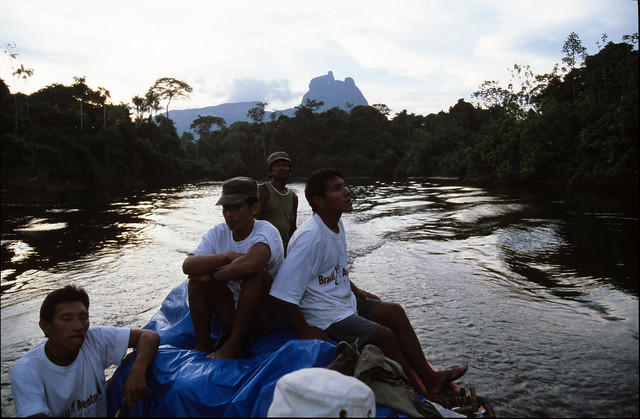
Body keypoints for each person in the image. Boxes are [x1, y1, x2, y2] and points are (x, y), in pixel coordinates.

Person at [269, 168, 467, 401]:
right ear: (319, 201)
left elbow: (331, 266)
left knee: (394, 312)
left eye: (344, 185)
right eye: (337, 188)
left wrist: (355, 289)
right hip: (323, 313)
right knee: (385, 336)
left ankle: (429, 376)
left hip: (341, 300)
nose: (346, 192)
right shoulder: (310, 237)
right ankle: (421, 394)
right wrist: (304, 328)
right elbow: (281, 292)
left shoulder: (335, 223)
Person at [10, 285, 160, 417]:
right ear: (45, 326)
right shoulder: (27, 370)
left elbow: (149, 336)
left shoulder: (94, 339)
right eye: (67, 319)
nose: (78, 326)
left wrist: (138, 370)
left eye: (83, 317)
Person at [183, 176, 284, 359]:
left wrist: (213, 276)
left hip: (264, 313)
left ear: (255, 208)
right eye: (225, 208)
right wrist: (227, 256)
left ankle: (235, 344)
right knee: (196, 283)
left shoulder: (266, 231)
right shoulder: (219, 232)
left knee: (256, 276)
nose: (229, 214)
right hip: (231, 311)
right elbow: (188, 265)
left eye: (236, 207)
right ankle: (203, 345)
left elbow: (252, 265)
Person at [256, 151, 298, 253]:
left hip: (284, 250)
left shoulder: (293, 197)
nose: (281, 168)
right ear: (270, 171)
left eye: (285, 165)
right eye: (277, 166)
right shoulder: (263, 190)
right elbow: (255, 222)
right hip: (264, 248)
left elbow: (292, 227)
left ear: (290, 170)